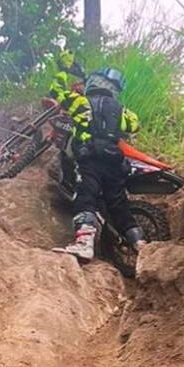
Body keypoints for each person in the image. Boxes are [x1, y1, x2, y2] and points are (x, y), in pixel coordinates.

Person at [49, 59, 144, 261]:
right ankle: (141, 246)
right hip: (114, 161)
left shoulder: (80, 102)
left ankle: (84, 243)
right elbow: (134, 126)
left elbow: (55, 92)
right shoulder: (121, 110)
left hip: (90, 158)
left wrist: (63, 72)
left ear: (93, 83)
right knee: (118, 204)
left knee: (86, 197)